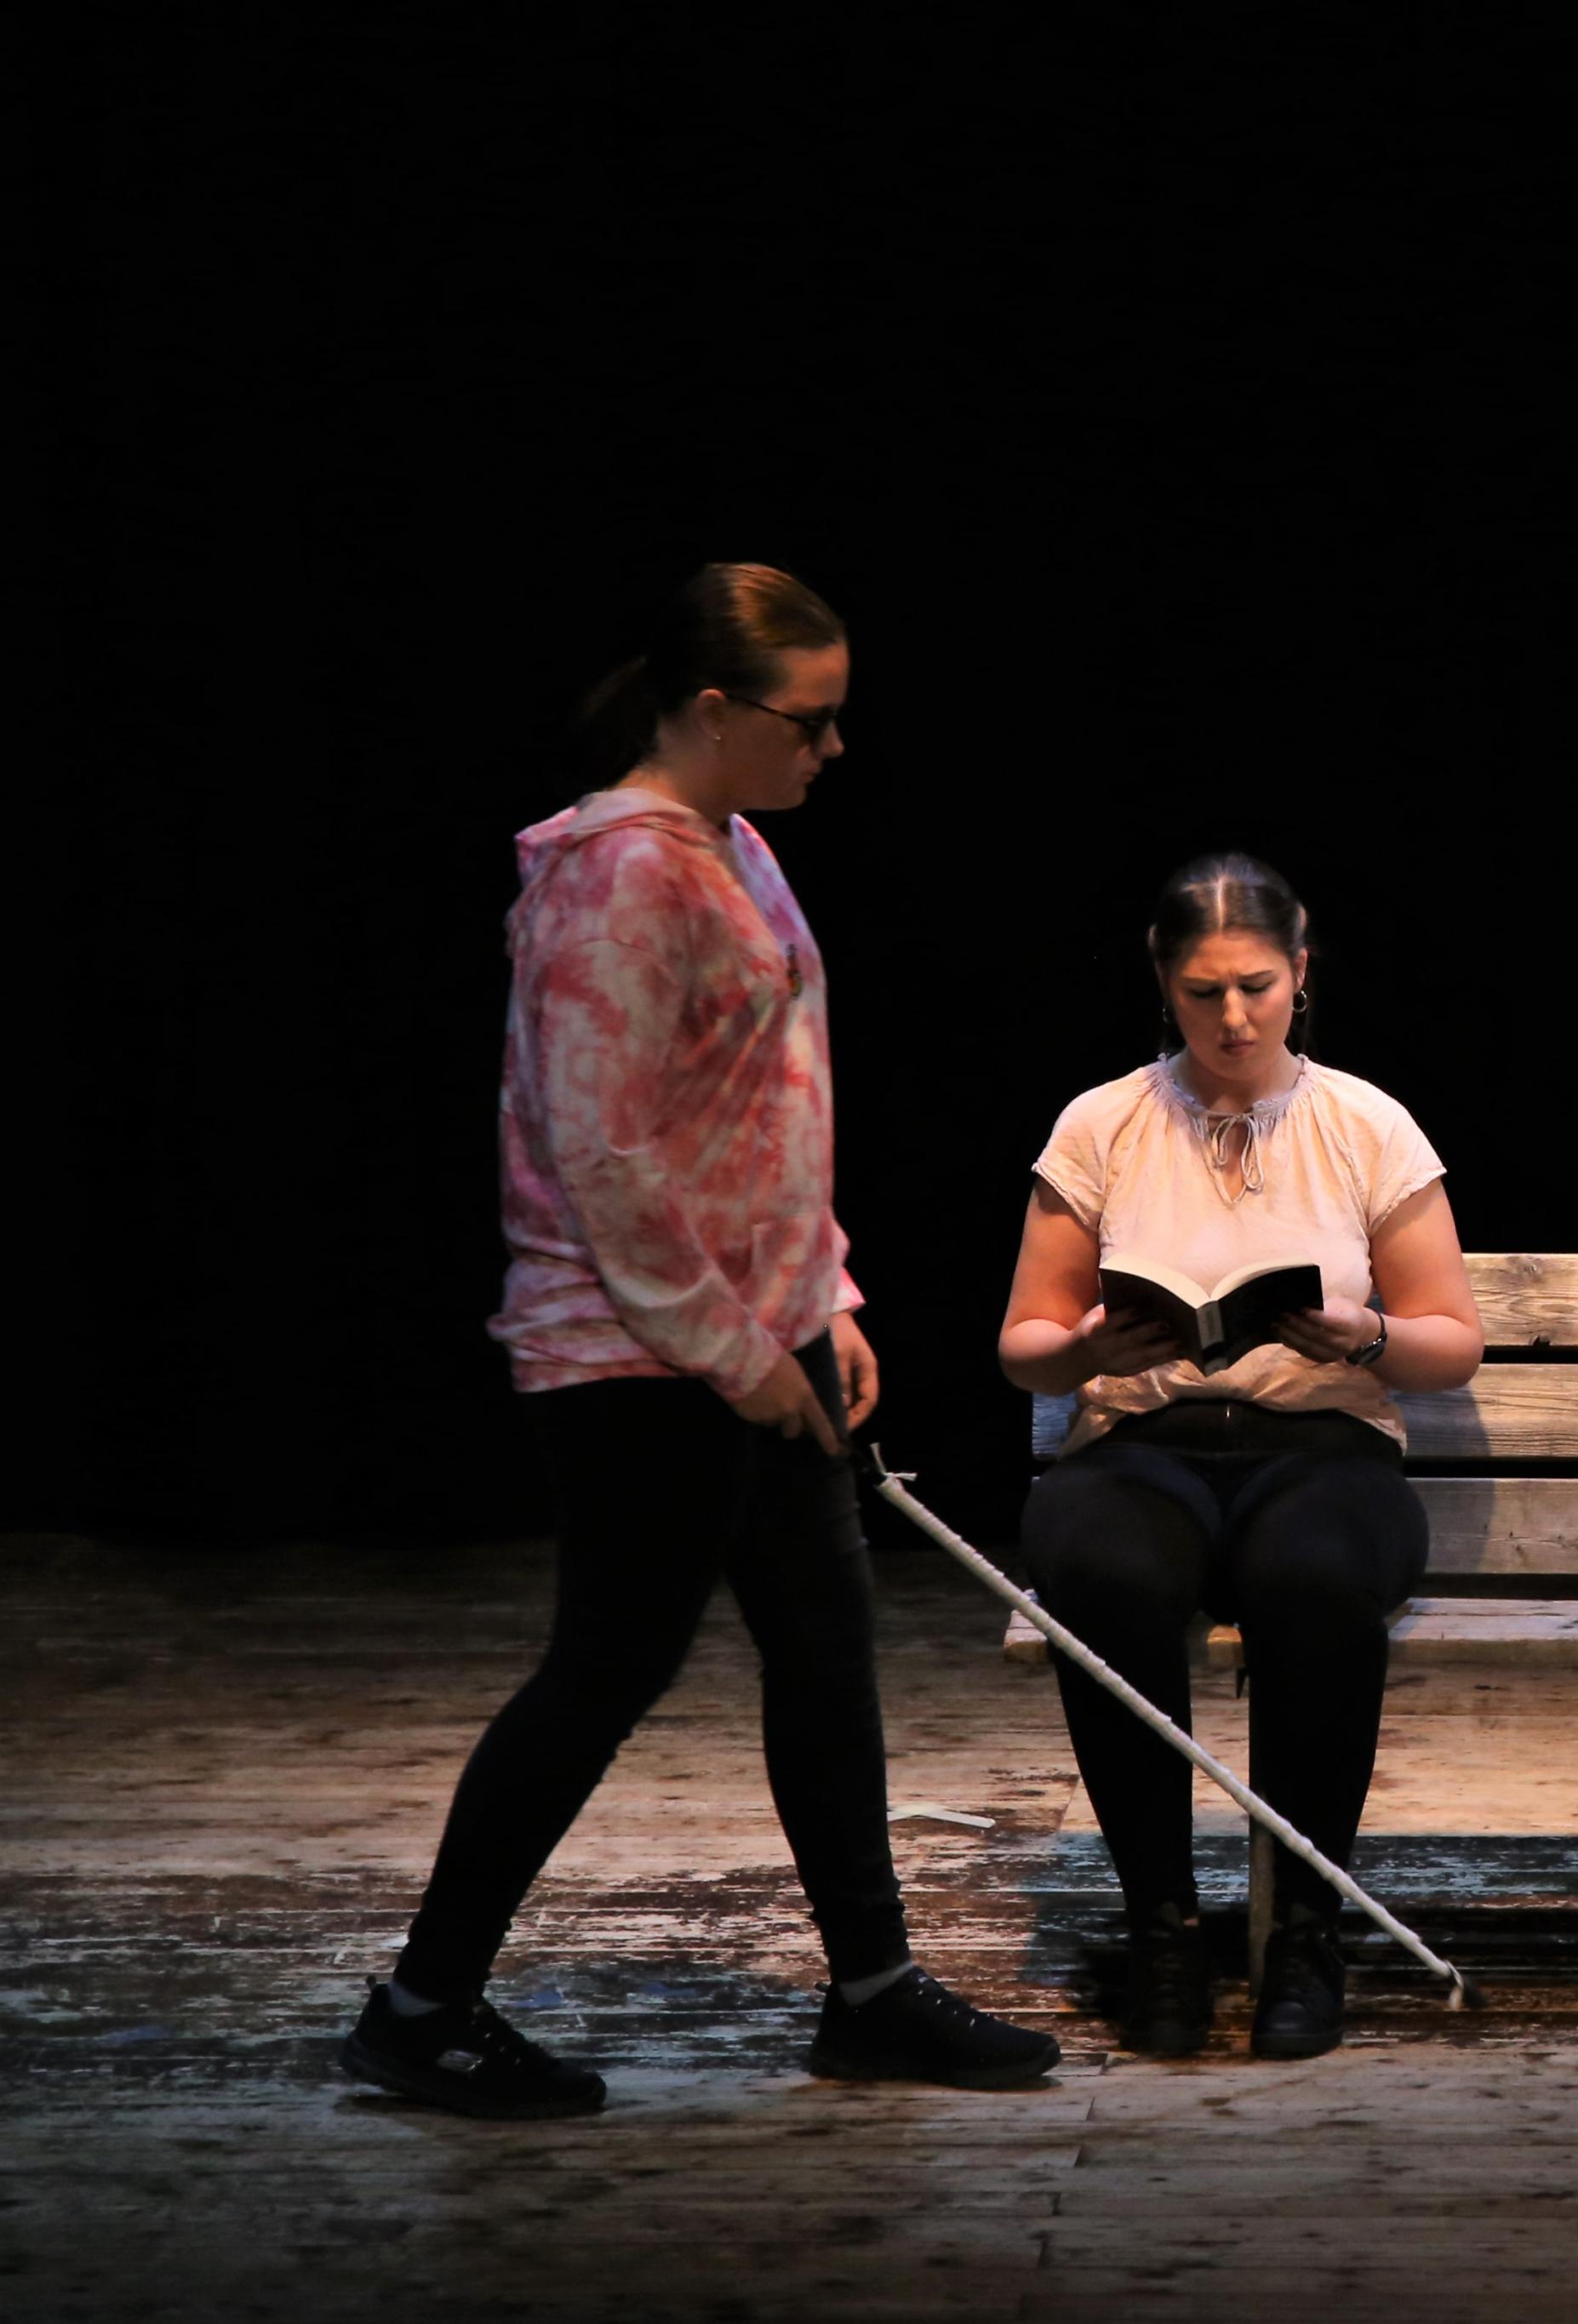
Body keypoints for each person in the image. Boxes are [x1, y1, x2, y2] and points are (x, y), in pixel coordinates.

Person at [343, 563, 1058, 2120]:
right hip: (638, 1358)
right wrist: (743, 1354)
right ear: (716, 709)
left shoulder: (735, 845)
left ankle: (872, 1991)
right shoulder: (616, 879)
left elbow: (763, 1107)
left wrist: (828, 1295)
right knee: (608, 1666)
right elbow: (605, 1158)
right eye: (812, 719)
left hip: (750, 1338)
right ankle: (420, 2004)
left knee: (825, 1655)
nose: (834, 748)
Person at [999, 853, 1483, 2062]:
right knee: (1102, 1572)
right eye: (1204, 991)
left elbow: (1452, 1341)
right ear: (1162, 981)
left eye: (1256, 987)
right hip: (1144, 1444)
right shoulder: (1102, 1123)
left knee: (1315, 1577)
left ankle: (1304, 1936)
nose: (1232, 1018)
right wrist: (1089, 1347)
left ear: (1300, 972)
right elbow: (1023, 1347)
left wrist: (1366, 1334)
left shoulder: (1365, 1123)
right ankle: (1162, 1928)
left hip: (1320, 1446)